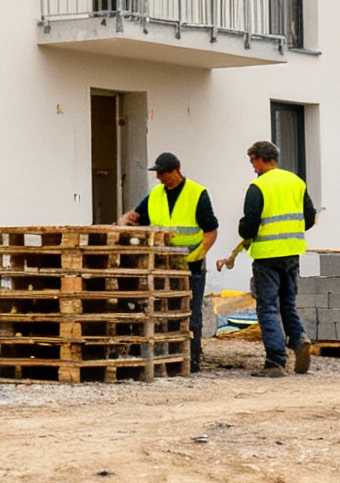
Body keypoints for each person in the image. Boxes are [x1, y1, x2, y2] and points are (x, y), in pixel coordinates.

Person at [218, 138, 314, 374]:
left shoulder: (258, 187)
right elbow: (309, 217)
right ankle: (299, 338)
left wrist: (243, 229)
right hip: (292, 252)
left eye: (253, 161)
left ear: (260, 159)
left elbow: (250, 226)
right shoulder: (296, 182)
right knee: (288, 303)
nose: (253, 166)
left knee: (268, 307)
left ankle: (275, 362)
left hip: (267, 256)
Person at [120, 151, 218, 371]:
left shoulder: (197, 193)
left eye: (163, 173)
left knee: (190, 314)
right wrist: (125, 220)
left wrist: (196, 256)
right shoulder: (156, 195)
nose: (160, 177)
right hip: (162, 266)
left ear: (177, 170)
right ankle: (169, 357)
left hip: (190, 266)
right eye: (157, 173)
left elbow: (211, 231)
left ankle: (191, 359)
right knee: (164, 312)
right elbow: (134, 215)